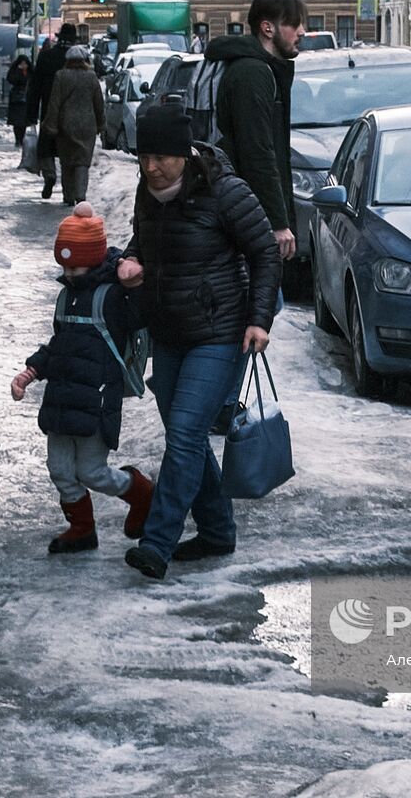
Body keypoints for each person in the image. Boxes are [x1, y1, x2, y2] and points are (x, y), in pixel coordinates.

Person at [115, 105, 281, 580]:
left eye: (160, 158)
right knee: (184, 438)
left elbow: (264, 252)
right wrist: (130, 262)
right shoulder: (147, 195)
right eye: (143, 157)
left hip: (218, 333)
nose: (151, 167)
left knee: (187, 433)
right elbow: (140, 243)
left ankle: (157, 543)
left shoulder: (225, 192)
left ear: (185, 154)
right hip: (167, 333)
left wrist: (259, 319)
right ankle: (216, 530)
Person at [10, 205, 155, 555]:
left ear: (93, 258)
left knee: (92, 472)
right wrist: (30, 372)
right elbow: (59, 344)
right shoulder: (66, 296)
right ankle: (81, 528)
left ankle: (144, 495)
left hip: (96, 400)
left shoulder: (113, 298)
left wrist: (128, 274)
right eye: (65, 266)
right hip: (61, 400)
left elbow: (143, 311)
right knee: (60, 469)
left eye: (76, 265)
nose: (70, 273)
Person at [203, 0, 305, 431]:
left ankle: (221, 399)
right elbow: (259, 152)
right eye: (294, 23)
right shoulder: (252, 75)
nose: (302, 31)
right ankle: (220, 400)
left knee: (259, 304)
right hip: (245, 210)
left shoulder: (261, 71)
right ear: (268, 28)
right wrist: (278, 223)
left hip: (244, 206)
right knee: (259, 304)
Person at [42, 46, 105, 207]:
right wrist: (101, 123)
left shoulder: (61, 76)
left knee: (67, 161)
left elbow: (54, 102)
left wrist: (51, 125)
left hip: (65, 124)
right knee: (82, 161)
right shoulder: (91, 77)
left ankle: (68, 195)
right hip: (87, 125)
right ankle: (80, 194)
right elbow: (99, 103)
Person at [27, 22, 79, 199]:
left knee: (46, 147)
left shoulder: (46, 56)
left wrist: (31, 115)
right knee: (68, 151)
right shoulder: (79, 61)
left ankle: (49, 175)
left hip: (49, 109)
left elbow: (34, 88)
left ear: (58, 38)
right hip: (73, 113)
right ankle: (68, 192)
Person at [5, 54, 32, 148]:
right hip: (16, 99)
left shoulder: (30, 72)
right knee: (17, 121)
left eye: (25, 63)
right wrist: (19, 70)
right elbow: (12, 79)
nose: (24, 65)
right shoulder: (15, 71)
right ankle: (17, 140)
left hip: (26, 99)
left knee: (23, 121)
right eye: (22, 63)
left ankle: (22, 138)